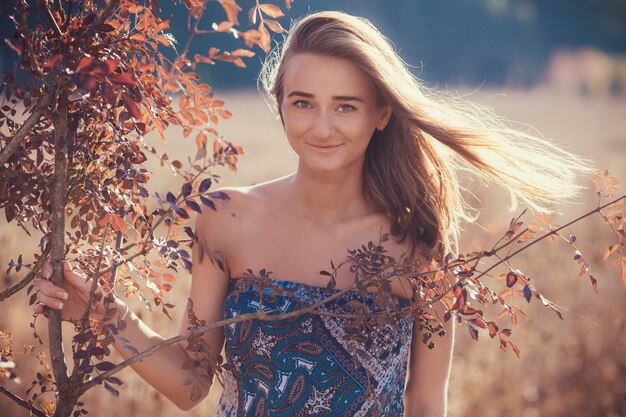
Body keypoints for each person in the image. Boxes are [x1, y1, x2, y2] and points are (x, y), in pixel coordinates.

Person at [33, 11, 589, 417]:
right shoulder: (226, 219)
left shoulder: (419, 244)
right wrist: (104, 314)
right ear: (281, 106)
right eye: (303, 103)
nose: (321, 128)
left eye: (344, 106)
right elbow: (191, 383)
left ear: (381, 114)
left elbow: (424, 402)